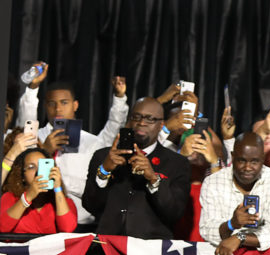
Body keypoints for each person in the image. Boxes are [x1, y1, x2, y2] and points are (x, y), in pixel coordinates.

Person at [17, 72, 130, 226]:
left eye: (64, 103)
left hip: (82, 223)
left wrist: (119, 99)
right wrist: (45, 151)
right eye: (52, 103)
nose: (58, 109)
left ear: (75, 105)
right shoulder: (35, 137)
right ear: (45, 106)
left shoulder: (91, 142)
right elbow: (26, 118)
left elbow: (114, 128)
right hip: (43, 223)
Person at [82, 97, 191, 238]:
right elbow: (90, 205)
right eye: (136, 117)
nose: (141, 123)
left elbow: (174, 213)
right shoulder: (103, 156)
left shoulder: (177, 163)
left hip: (149, 252)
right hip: (107, 247)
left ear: (161, 125)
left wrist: (153, 179)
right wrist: (104, 171)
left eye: (150, 119)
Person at [199, 131, 270, 255]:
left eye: (254, 162)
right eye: (241, 161)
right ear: (232, 156)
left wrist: (240, 237)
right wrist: (231, 224)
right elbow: (207, 229)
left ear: (262, 158)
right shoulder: (213, 182)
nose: (247, 167)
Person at [0, 148, 77, 233]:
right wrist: (27, 197)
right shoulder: (10, 198)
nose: (38, 172)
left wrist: (58, 189)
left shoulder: (64, 202)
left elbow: (68, 229)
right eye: (31, 167)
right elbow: (2, 227)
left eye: (43, 166)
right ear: (22, 176)